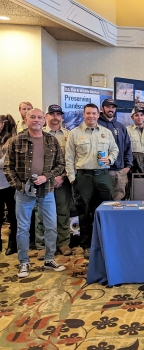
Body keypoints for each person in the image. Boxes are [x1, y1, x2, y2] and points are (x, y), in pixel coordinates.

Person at [4, 108, 66, 278]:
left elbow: (60, 164)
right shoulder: (16, 141)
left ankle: (49, 259)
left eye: (39, 117)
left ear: (44, 120)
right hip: (24, 193)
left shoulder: (52, 141)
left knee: (51, 226)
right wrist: (18, 185)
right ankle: (24, 262)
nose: (37, 120)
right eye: (33, 117)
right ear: (26, 119)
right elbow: (8, 167)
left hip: (46, 191)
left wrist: (47, 177)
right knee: (23, 228)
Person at [65, 103, 119, 259]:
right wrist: (72, 178)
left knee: (106, 210)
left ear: (98, 114)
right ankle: (86, 245)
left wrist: (109, 158)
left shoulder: (106, 132)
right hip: (84, 177)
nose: (91, 116)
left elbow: (115, 150)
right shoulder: (74, 133)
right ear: (83, 114)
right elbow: (68, 157)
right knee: (84, 212)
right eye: (88, 113)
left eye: (94, 113)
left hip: (103, 175)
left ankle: (105, 241)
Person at [35, 105, 73, 259]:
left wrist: (62, 176)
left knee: (63, 211)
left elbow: (71, 158)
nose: (55, 117)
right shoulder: (38, 134)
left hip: (61, 180)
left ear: (62, 117)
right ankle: (42, 245)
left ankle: (63, 243)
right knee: (41, 213)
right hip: (43, 181)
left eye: (58, 114)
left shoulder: (69, 135)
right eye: (52, 114)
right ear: (46, 117)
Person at [97, 98, 133, 200]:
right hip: (104, 171)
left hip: (120, 171)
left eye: (113, 107)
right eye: (108, 107)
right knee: (103, 199)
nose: (111, 109)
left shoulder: (121, 127)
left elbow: (128, 147)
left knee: (119, 199)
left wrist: (128, 166)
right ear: (102, 108)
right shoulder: (97, 125)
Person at [0, 114, 17, 255]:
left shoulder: (11, 140)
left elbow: (5, 163)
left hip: (9, 184)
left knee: (13, 215)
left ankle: (13, 242)